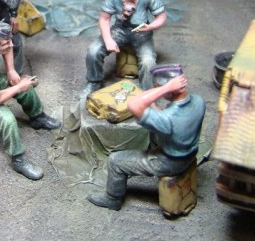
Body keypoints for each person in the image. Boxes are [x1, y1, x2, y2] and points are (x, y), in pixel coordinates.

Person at [87, 63, 206, 210]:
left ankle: (112, 198)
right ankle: (151, 148)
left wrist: (165, 88)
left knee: (115, 161)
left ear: (170, 89)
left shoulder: (167, 119)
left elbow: (134, 105)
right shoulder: (199, 101)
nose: (157, 89)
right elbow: (168, 120)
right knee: (152, 131)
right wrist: (154, 101)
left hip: (169, 162)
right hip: (189, 152)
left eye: (158, 87)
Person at [0, 21, 61, 180]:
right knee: (7, 119)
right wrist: (19, 87)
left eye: (9, 40)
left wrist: (11, 70)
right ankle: (18, 159)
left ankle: (37, 117)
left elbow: (8, 47)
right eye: (5, 43)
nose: (10, 45)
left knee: (25, 87)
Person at [85, 0, 166, 93]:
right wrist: (108, 40)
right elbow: (104, 18)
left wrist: (150, 26)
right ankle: (94, 82)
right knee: (94, 50)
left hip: (141, 32)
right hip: (120, 29)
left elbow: (161, 17)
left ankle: (147, 92)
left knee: (148, 61)